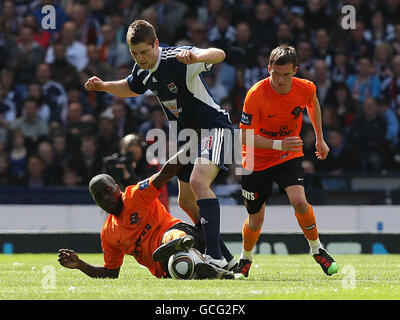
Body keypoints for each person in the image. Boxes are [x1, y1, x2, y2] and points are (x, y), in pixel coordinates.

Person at [84, 19, 235, 269]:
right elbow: (131, 87)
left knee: (199, 181)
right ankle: (226, 258)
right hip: (189, 138)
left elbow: (219, 54)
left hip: (213, 126)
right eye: (135, 54)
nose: (140, 59)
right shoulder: (142, 70)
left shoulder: (176, 59)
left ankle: (214, 255)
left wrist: (197, 57)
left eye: (144, 52)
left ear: (156, 43)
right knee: (186, 202)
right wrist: (104, 86)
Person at [58, 142, 236, 280]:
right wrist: (80, 265)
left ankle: (181, 243)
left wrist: (190, 147)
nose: (106, 198)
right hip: (165, 267)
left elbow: (165, 173)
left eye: (108, 192)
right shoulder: (109, 234)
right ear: (96, 202)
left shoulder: (135, 196)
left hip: (183, 232)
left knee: (172, 237)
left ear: (117, 188)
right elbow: (111, 274)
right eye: (99, 196)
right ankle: (203, 267)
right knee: (181, 267)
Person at [236, 45, 338, 278]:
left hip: (287, 154)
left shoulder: (306, 88)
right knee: (255, 221)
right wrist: (277, 144)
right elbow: (243, 136)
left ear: (295, 71)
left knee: (299, 201)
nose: (281, 80)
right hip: (255, 157)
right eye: (276, 74)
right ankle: (245, 258)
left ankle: (317, 250)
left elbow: (313, 105)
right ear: (269, 68)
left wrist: (320, 139)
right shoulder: (256, 94)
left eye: (286, 75)